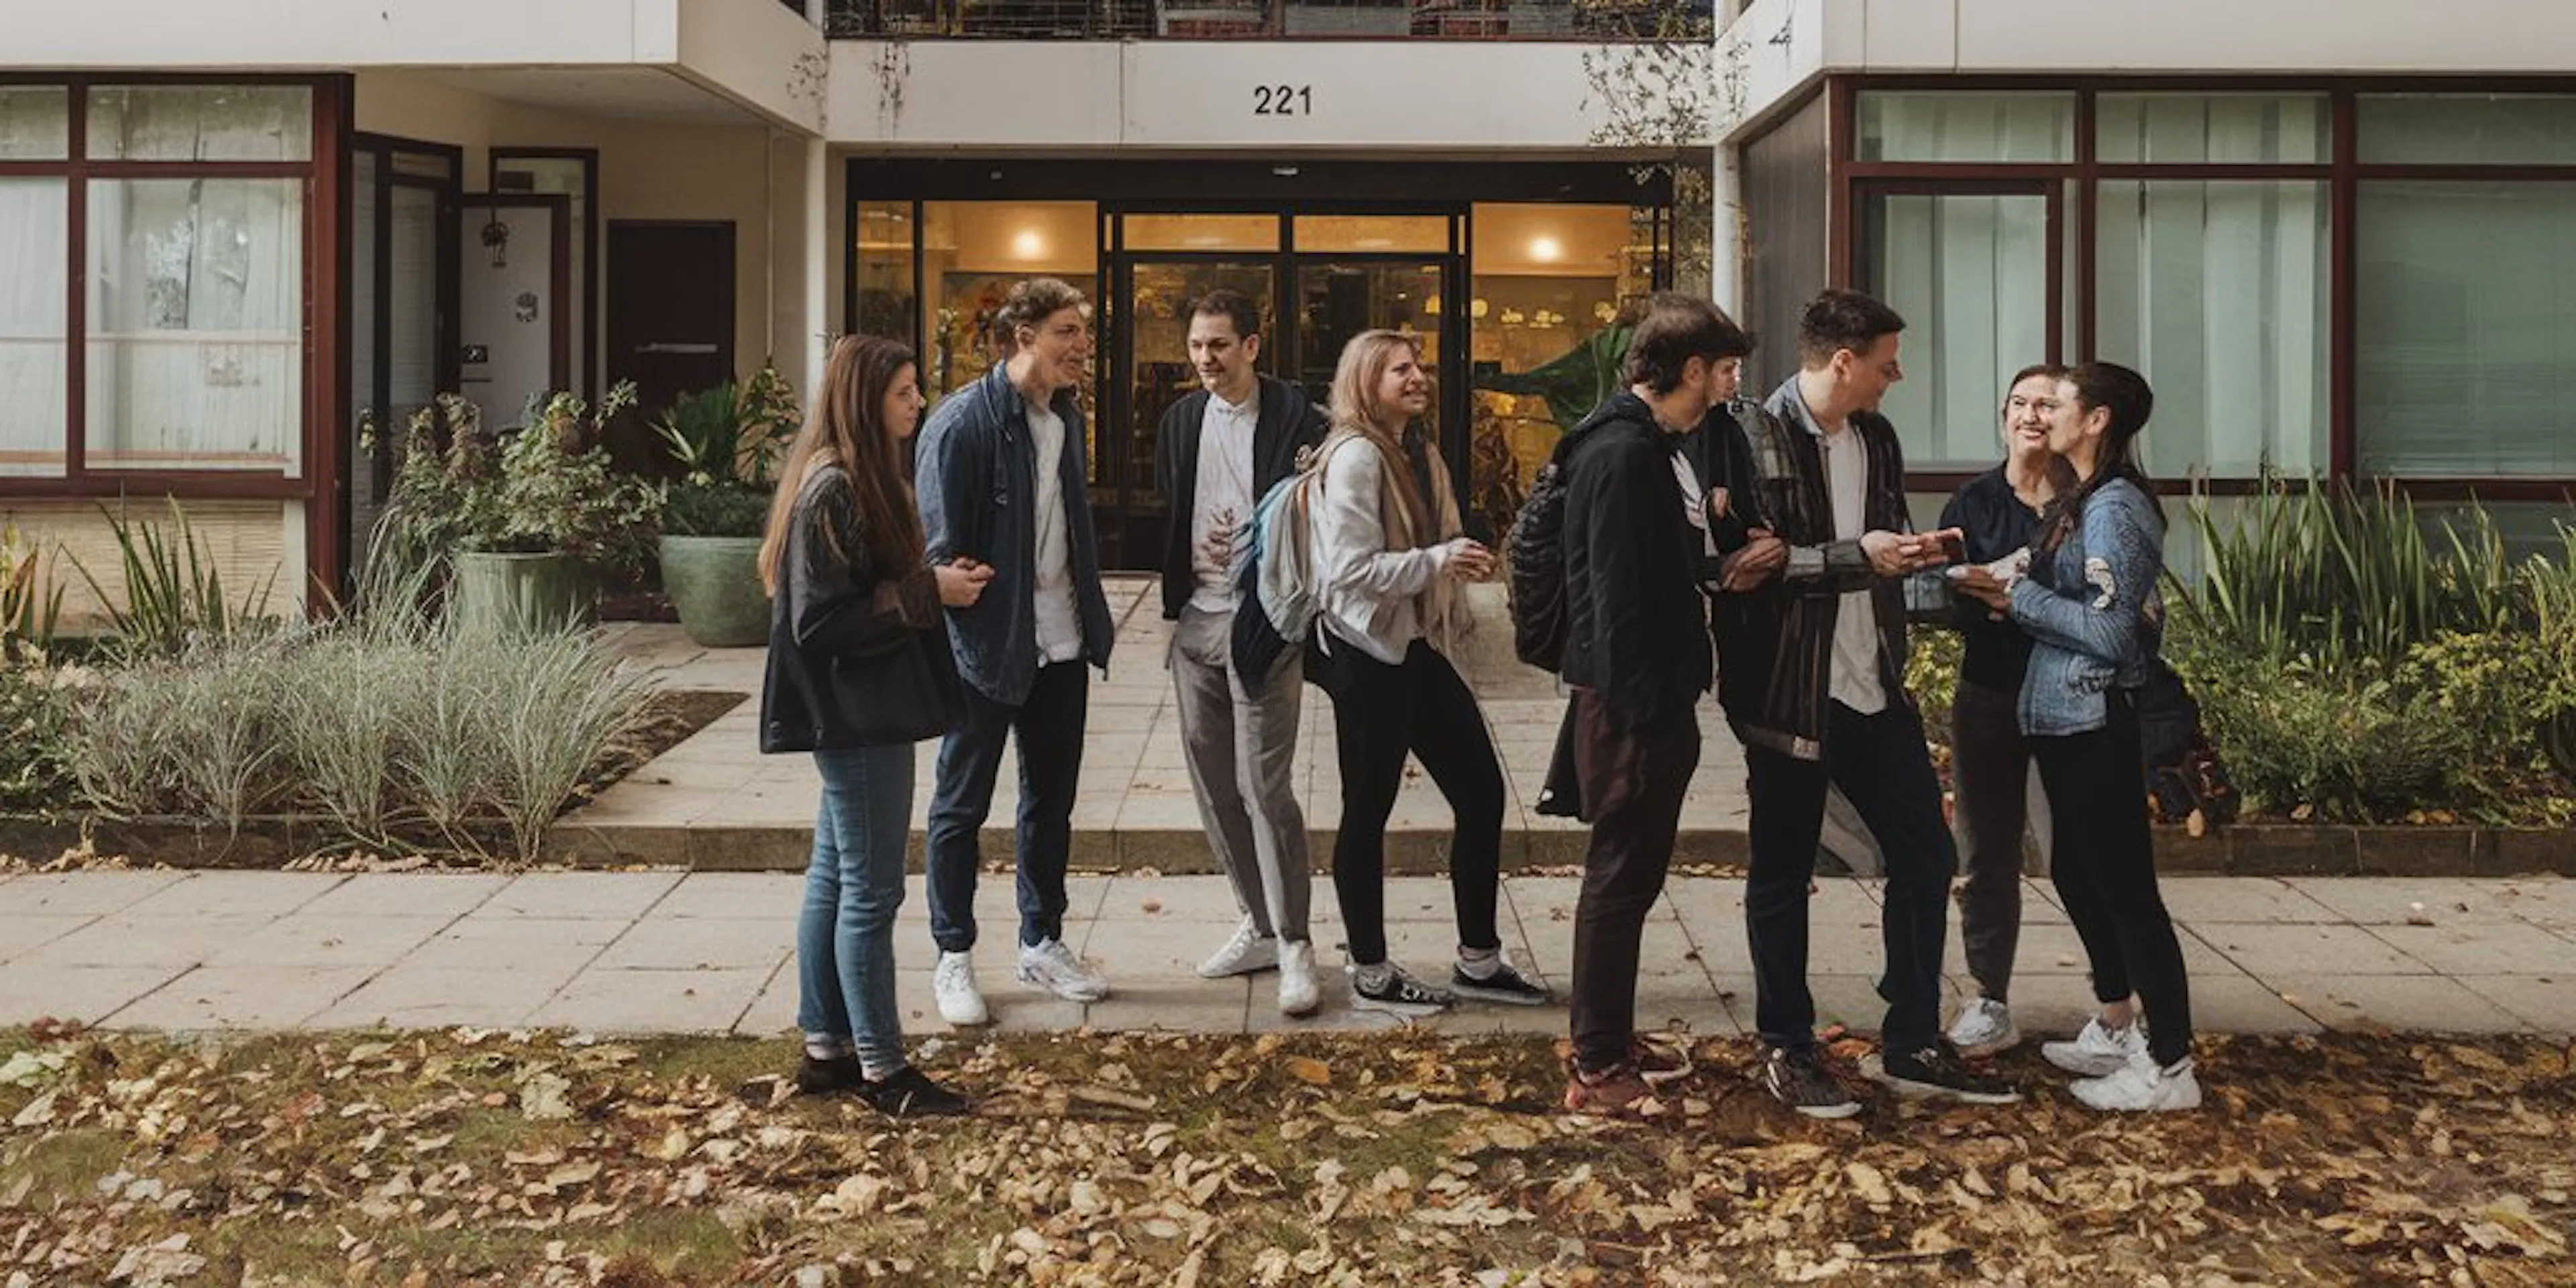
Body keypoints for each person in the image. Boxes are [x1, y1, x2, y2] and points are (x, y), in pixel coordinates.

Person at [1709, 288, 2016, 1116]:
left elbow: (1876, 547)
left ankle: (1911, 1039)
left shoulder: (1876, 436)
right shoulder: (1746, 433)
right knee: (1780, 874)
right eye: (1886, 363)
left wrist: (1923, 563)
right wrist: (1857, 557)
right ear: (1843, 362)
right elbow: (1747, 566)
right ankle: (1788, 1044)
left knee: (1926, 856)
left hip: (1873, 683)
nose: (1897, 376)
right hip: (1789, 690)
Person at [758, 334, 991, 1116]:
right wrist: (934, 591)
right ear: (866, 401)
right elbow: (822, 622)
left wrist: (931, 584)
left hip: (859, 713)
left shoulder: (846, 480)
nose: (918, 402)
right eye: (903, 392)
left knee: (834, 878)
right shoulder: (837, 489)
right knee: (871, 891)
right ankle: (885, 1073)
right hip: (859, 719)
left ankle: (828, 1050)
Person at [1558, 294, 1776, 1112]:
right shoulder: (1624, 454)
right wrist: (1643, 709)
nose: (1730, 385)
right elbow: (1610, 594)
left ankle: (1606, 1035)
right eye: (1724, 370)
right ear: (1690, 370)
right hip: (1632, 702)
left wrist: (1722, 572)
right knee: (1619, 876)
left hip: (1647, 693)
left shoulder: (1658, 446)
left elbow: (1658, 565)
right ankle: (1596, 1063)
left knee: (1633, 875)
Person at [1309, 329, 1549, 1016]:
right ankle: (1373, 975)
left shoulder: (1416, 451)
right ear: (1366, 382)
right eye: (1400, 370)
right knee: (1367, 812)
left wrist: (1448, 562)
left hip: (1410, 648)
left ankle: (1478, 960)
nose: (1419, 377)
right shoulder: (1356, 457)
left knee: (1480, 791)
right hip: (1364, 652)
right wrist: (1438, 561)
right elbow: (1346, 573)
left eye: (1419, 367)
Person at [1984, 362, 2200, 1112]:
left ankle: (2170, 1066)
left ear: (2099, 419)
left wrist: (2018, 597)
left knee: (2128, 892)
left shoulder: (2116, 508)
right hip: (2064, 718)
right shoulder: (2082, 500)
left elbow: (2112, 632)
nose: (2044, 413)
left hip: (2099, 718)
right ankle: (2117, 1024)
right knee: (2078, 874)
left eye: (2061, 403)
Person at [915, 277, 1118, 1026]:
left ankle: (1042, 941)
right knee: (960, 806)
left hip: (1061, 641)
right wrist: (958, 596)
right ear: (1022, 336)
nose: (1081, 348)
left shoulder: (1067, 420)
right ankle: (953, 955)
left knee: (1050, 803)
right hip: (986, 649)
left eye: (1083, 333)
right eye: (1067, 332)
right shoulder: (963, 424)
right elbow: (940, 552)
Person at [1152, 289, 1330, 1018]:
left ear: (1252, 346)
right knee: (1215, 787)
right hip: (1196, 620)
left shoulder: (1299, 417)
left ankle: (1295, 941)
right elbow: (1171, 503)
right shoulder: (1180, 419)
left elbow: (1323, 509)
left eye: (1219, 345)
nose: (1205, 359)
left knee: (1265, 788)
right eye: (1197, 346)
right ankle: (1256, 923)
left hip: (1265, 625)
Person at [1937, 364, 2065, 1057]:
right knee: (1986, 852)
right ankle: (1989, 998)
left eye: (2046, 405)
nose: (2031, 416)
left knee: (2084, 854)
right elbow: (1945, 596)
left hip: (2072, 696)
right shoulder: (1972, 503)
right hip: (1988, 691)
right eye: (2019, 403)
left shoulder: (2085, 503)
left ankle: (2119, 1005)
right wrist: (1964, 589)